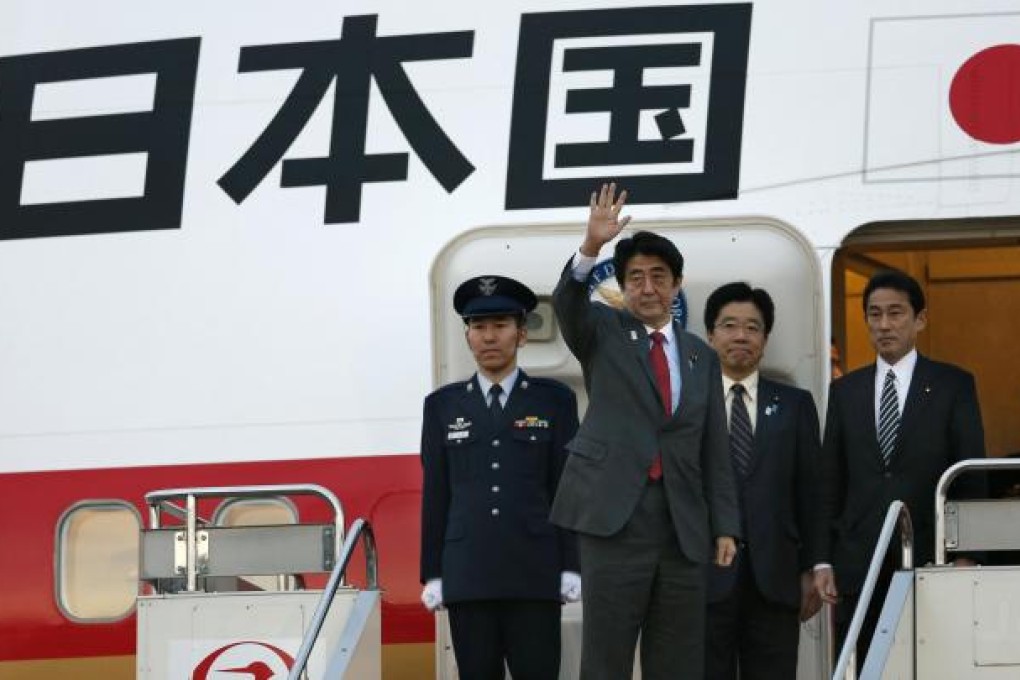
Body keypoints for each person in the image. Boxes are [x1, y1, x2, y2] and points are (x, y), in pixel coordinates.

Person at [549, 183, 739, 680]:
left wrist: (725, 525)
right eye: (636, 277)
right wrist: (591, 247)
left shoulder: (701, 354)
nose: (647, 287)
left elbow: (714, 448)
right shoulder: (602, 332)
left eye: (658, 277)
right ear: (624, 286)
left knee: (677, 662)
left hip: (683, 527)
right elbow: (567, 302)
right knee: (607, 658)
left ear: (676, 285)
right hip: (615, 519)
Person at [814, 269, 986, 659]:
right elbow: (830, 480)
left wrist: (968, 556)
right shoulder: (844, 391)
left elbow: (971, 473)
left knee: (933, 662)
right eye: (874, 314)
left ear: (919, 319)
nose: (884, 325)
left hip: (932, 556)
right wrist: (823, 558)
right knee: (865, 663)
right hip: (858, 563)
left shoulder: (953, 384)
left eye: (895, 313)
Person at [419, 274, 581, 680]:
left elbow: (566, 487)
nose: (489, 337)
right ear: (468, 336)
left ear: (521, 334)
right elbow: (437, 494)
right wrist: (434, 572)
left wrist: (571, 565)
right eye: (478, 327)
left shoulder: (555, 401)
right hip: (468, 574)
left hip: (535, 572)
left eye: (500, 326)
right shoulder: (441, 406)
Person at [702, 282, 823, 680]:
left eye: (752, 327)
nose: (741, 335)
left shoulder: (794, 404)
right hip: (702, 581)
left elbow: (810, 493)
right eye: (729, 325)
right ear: (710, 335)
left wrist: (813, 566)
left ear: (766, 339)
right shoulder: (688, 406)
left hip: (775, 579)